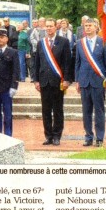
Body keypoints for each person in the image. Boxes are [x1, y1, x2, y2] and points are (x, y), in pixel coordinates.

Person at [75, 18, 106, 147]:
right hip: (85, 81)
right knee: (86, 111)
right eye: (86, 26)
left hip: (98, 82)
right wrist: (77, 81)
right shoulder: (80, 43)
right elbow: (78, 63)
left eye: (90, 25)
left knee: (99, 111)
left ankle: (100, 137)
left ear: (96, 27)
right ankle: (88, 136)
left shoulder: (103, 42)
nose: (88, 28)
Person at [34, 18, 72, 146]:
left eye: (51, 26)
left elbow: (67, 63)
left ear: (56, 27)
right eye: (47, 26)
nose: (49, 28)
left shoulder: (63, 42)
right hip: (44, 81)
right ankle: (48, 136)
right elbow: (36, 63)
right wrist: (36, 80)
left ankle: (57, 136)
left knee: (57, 110)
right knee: (45, 110)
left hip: (58, 81)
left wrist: (67, 79)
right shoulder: (41, 43)